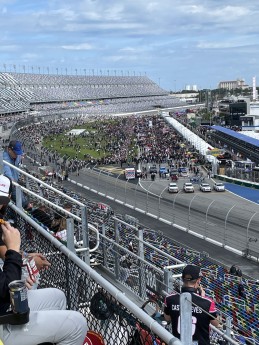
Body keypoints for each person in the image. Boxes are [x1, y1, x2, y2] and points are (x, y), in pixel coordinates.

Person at [0, 175, 88, 345]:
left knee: (58, 297)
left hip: (4, 306)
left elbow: (5, 253)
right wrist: (14, 251)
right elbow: (6, 289)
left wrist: (23, 256)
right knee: (77, 324)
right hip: (3, 320)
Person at [164, 264, 219, 345]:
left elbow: (167, 318)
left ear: (182, 279)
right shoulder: (208, 302)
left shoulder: (169, 298)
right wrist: (202, 297)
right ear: (198, 280)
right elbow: (217, 323)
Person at [3, 140, 31, 209]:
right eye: (15, 153)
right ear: (9, 150)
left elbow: (20, 156)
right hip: (10, 184)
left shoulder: (17, 155)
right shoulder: (4, 158)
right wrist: (14, 183)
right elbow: (7, 173)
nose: (16, 155)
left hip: (16, 180)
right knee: (24, 203)